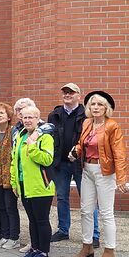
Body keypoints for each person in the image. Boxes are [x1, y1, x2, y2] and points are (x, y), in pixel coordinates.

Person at [69, 91, 128, 257]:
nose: (95, 107)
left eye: (99, 104)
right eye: (93, 104)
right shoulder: (87, 123)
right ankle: (87, 246)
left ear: (106, 108)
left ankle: (110, 250)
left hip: (105, 172)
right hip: (86, 169)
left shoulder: (112, 126)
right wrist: (75, 151)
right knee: (86, 210)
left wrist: (121, 178)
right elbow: (82, 143)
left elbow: (119, 153)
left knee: (106, 212)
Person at [48, 83, 100, 247]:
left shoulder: (87, 115)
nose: (67, 95)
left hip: (80, 164)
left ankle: (94, 234)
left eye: (71, 92)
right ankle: (63, 230)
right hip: (60, 164)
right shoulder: (54, 114)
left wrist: (77, 153)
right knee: (62, 197)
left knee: (88, 199)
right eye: (64, 92)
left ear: (79, 95)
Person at [11, 105, 55, 257]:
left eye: (31, 117)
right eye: (25, 117)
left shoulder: (45, 138)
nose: (27, 120)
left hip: (41, 186)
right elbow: (15, 161)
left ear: (38, 119)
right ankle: (35, 249)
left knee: (41, 220)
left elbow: (47, 159)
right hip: (24, 185)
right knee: (32, 220)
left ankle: (44, 252)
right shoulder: (20, 135)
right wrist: (14, 182)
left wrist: (32, 146)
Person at [0, 103, 20, 250]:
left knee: (10, 207)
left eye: (2, 113)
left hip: (10, 175)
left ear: (8, 117)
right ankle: (4, 235)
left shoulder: (14, 131)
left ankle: (14, 237)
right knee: (1, 207)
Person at [12, 97, 36, 253]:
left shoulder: (41, 128)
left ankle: (39, 246)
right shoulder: (18, 130)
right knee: (29, 214)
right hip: (21, 177)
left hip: (36, 178)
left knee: (38, 216)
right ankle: (33, 243)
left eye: (25, 109)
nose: (21, 112)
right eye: (19, 110)